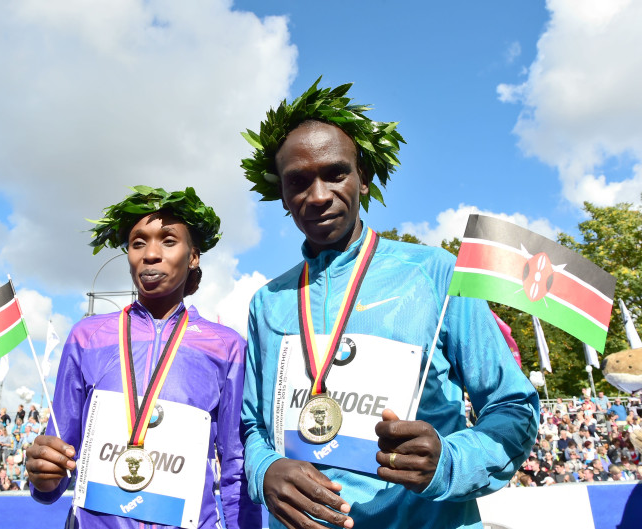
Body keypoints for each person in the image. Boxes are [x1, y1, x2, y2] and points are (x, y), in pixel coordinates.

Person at [239, 79, 539, 529]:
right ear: (281, 195)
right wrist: (265, 471)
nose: (318, 195)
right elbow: (252, 428)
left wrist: (449, 461)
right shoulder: (268, 302)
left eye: (335, 173)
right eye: (298, 181)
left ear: (363, 178)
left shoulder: (438, 272)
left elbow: (512, 406)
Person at [27, 186, 260, 529]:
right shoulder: (87, 336)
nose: (150, 254)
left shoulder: (227, 346)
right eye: (138, 243)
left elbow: (236, 466)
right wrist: (43, 475)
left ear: (193, 255)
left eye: (168, 240)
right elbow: (58, 461)